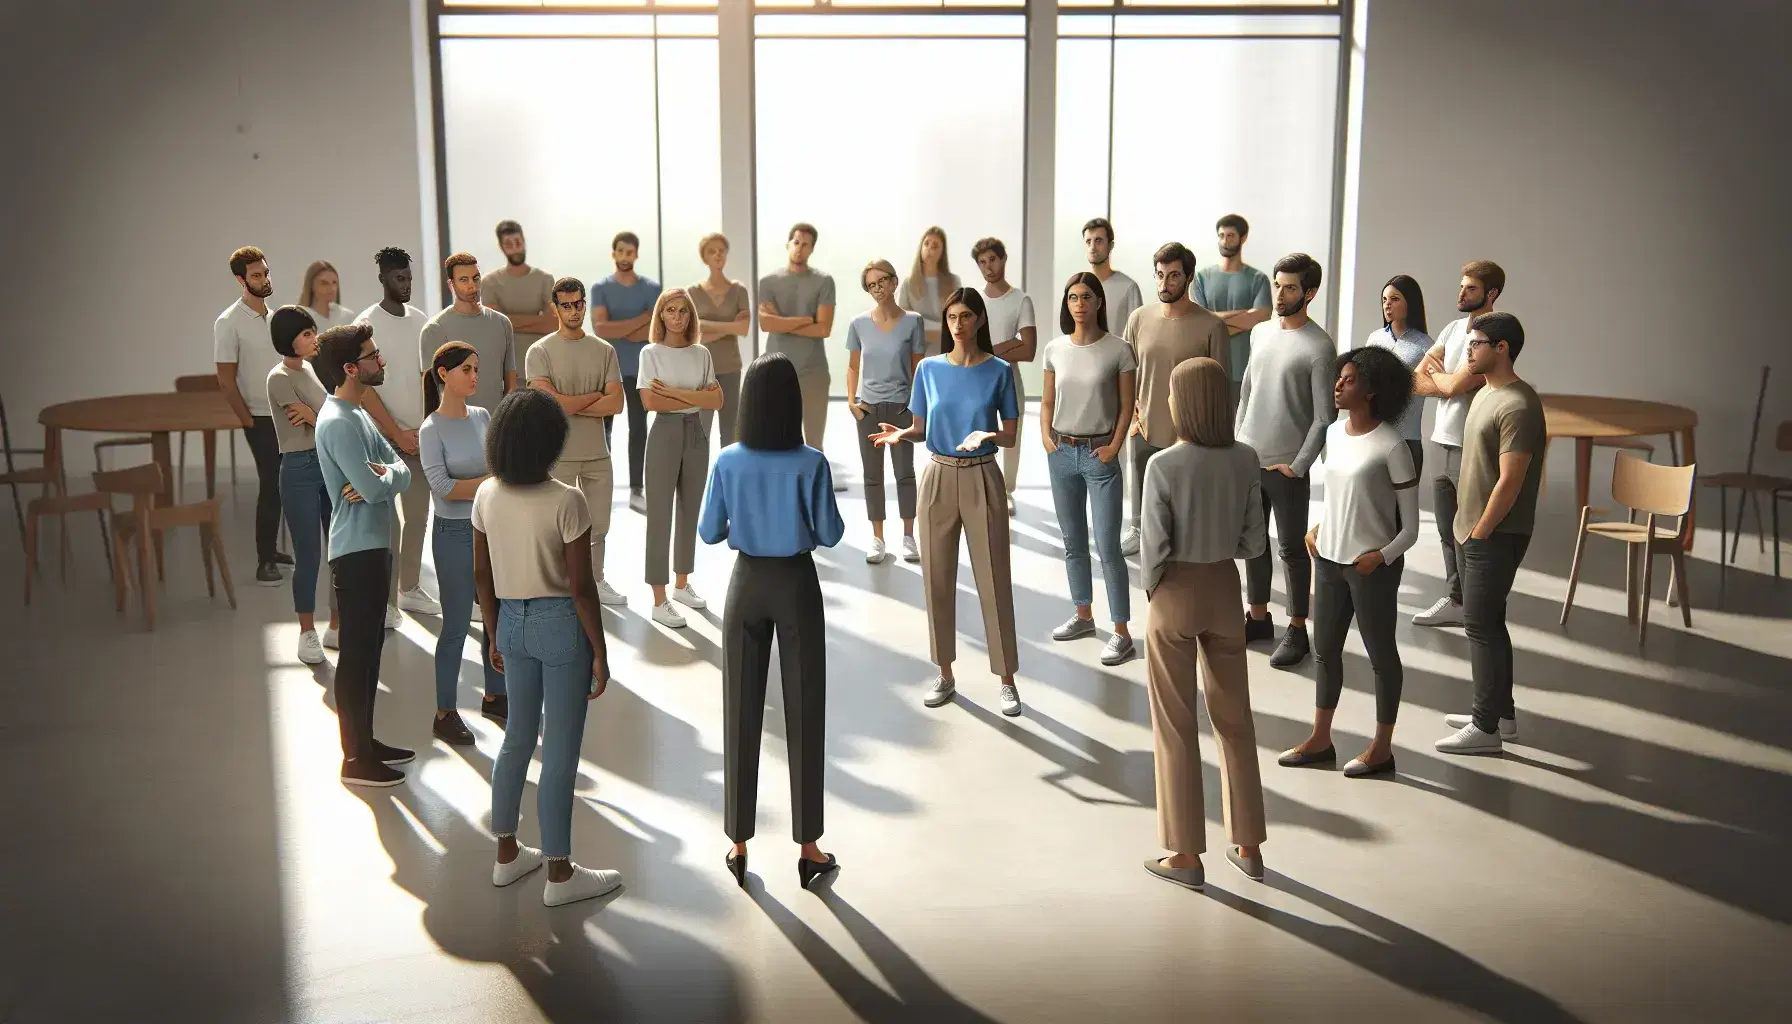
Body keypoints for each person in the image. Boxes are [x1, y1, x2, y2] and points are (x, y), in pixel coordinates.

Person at [698, 352, 846, 891]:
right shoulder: (812, 462)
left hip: (746, 584)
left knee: (740, 708)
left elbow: (710, 532)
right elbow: (829, 534)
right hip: (796, 584)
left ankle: (738, 841)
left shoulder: (727, 460)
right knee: (806, 711)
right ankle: (808, 849)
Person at [473, 388, 622, 906]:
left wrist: (493, 631)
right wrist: (600, 651)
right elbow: (582, 589)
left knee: (517, 738)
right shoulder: (567, 500)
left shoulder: (486, 494)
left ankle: (508, 856)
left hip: (510, 621)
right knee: (559, 750)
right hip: (560, 626)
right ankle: (560, 873)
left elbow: (481, 574)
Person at [1139, 357, 1268, 891]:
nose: (1167, 402)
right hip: (1224, 588)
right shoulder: (1245, 460)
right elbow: (1254, 542)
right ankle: (1250, 846)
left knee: (1175, 726)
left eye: (1171, 393)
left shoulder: (1163, 465)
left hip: (1174, 592)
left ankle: (1186, 856)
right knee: (1234, 719)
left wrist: (1156, 592)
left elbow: (1152, 548)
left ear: (1185, 401)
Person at [871, 289, 1022, 716]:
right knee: (936, 578)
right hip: (937, 477)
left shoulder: (999, 371)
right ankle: (945, 673)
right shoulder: (929, 371)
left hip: (983, 476)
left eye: (966, 316)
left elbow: (1010, 433)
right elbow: (921, 427)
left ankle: (1007, 679)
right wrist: (903, 434)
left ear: (979, 320)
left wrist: (989, 435)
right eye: (952, 316)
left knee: (993, 579)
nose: (958, 324)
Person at [1279, 347, 1419, 778]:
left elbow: (1411, 528)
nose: (1338, 384)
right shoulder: (1334, 434)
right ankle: (1320, 740)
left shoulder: (1393, 446)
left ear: (1373, 391)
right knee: (1325, 653)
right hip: (1328, 559)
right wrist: (1319, 527)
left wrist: (1380, 557)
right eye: (1339, 376)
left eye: (1350, 379)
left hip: (1369, 567)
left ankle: (1382, 748)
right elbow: (1342, 495)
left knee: (1381, 656)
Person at [1433, 312, 1543, 756]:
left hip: (1494, 534)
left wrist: (1480, 530)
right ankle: (1503, 715)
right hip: (1472, 531)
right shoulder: (1485, 393)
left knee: (1479, 626)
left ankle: (1485, 728)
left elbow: (1511, 480)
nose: (1468, 349)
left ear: (1502, 348)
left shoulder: (1519, 404)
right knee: (1490, 623)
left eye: (1477, 343)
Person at [310, 324, 414, 788]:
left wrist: (383, 474)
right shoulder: (337, 422)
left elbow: (398, 471)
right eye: (372, 356)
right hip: (355, 552)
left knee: (371, 653)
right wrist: (383, 476)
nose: (382, 361)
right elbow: (374, 486)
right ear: (350, 368)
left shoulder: (359, 413)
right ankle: (355, 760)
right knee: (355, 657)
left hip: (375, 546)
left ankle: (366, 744)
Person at [1234, 253, 1336, 670]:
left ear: (1309, 293)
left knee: (1293, 550)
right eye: (1277, 284)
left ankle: (1297, 629)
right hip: (1248, 459)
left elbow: (1324, 416)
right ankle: (1258, 618)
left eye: (1290, 287)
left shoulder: (1319, 346)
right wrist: (1238, 443)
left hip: (1287, 468)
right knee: (1252, 544)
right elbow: (1246, 393)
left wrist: (1298, 465)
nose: (1279, 293)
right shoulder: (1260, 333)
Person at [1040, 272, 1136, 665]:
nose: (1078, 304)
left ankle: (1122, 632)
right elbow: (1047, 401)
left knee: (1108, 546)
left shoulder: (1119, 350)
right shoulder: (1054, 349)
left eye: (1086, 297)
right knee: (1072, 541)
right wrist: (1046, 438)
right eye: (1072, 297)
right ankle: (1083, 615)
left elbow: (1127, 405)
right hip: (1061, 452)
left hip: (1101, 455)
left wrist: (1114, 446)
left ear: (1098, 302)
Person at [1119, 242, 1230, 557]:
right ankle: (1138, 529)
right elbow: (1127, 371)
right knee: (1142, 484)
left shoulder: (1212, 326)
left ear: (1189, 277)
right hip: (1145, 424)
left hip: (1190, 432)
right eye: (1159, 275)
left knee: (1184, 501)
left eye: (1173, 276)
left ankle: (1184, 540)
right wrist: (1131, 415)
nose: (1164, 284)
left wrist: (1212, 436)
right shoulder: (1139, 319)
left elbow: (1219, 387)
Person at [419, 341, 506, 745]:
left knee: (495, 618)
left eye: (476, 368)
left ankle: (494, 694)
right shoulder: (430, 429)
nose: (475, 376)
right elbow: (442, 487)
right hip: (453, 534)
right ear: (443, 374)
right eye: (466, 370)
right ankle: (444, 711)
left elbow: (497, 468)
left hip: (489, 530)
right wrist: (490, 483)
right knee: (455, 625)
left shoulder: (483, 416)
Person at [1410, 260, 1504, 629]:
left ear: (1491, 294)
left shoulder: (1492, 333)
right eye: (1461, 287)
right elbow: (1415, 380)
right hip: (1441, 440)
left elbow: (1450, 386)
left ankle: (1478, 607)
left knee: (1472, 532)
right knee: (1447, 530)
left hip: (1472, 447)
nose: (1461, 294)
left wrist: (1443, 378)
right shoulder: (1451, 330)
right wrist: (1447, 380)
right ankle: (1457, 598)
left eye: (1470, 289)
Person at [526, 276, 628, 606]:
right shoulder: (539, 351)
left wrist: (570, 401)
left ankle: (596, 580)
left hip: (598, 453)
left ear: (585, 303)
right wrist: (595, 394)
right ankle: (559, 585)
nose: (574, 311)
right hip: (558, 454)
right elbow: (552, 404)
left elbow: (617, 404)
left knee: (599, 525)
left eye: (579, 303)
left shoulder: (604, 350)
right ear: (555, 308)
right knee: (558, 527)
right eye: (566, 305)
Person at [356, 247, 436, 622]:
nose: (406, 285)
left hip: (419, 436)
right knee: (387, 523)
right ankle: (385, 604)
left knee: (418, 515)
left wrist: (425, 427)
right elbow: (366, 390)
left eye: (409, 278)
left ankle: (409, 588)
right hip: (383, 438)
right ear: (383, 279)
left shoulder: (421, 321)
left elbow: (428, 378)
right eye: (398, 278)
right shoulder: (366, 325)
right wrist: (396, 433)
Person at [638, 288, 723, 627]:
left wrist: (672, 392)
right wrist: (694, 397)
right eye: (670, 310)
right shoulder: (651, 353)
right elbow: (650, 403)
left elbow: (716, 401)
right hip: (663, 435)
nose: (677, 316)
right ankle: (659, 600)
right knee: (660, 514)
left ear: (691, 316)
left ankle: (682, 584)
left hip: (697, 434)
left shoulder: (701, 353)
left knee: (690, 510)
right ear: (661, 315)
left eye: (683, 311)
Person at [265, 305, 338, 665]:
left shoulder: (308, 370)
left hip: (327, 463)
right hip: (298, 469)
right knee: (308, 554)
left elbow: (322, 419)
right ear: (287, 339)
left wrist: (318, 416)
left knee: (338, 547)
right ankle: (307, 631)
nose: (314, 339)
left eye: (312, 332)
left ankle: (336, 625)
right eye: (306, 334)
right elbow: (306, 419)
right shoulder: (278, 378)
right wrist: (321, 415)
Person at [213, 245, 289, 586]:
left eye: (266, 272)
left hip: (287, 415)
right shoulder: (229, 323)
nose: (264, 279)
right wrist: (247, 420)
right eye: (256, 275)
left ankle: (275, 551)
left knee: (291, 483)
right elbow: (226, 381)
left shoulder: (277, 319)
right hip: (258, 418)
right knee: (271, 484)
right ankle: (264, 559)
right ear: (240, 280)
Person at [846, 260, 926, 565]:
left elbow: (919, 366)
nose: (878, 288)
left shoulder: (913, 322)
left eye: (882, 281)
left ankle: (908, 535)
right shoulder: (858, 323)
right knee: (872, 475)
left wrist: (916, 405)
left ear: (894, 282)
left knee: (905, 472)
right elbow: (853, 366)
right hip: (868, 408)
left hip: (902, 406)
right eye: (871, 285)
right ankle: (877, 537)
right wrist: (853, 404)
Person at [591, 232, 662, 514]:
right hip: (607, 370)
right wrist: (641, 320)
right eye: (620, 251)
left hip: (639, 369)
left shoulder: (651, 288)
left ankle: (636, 487)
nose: (625, 257)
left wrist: (621, 328)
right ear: (613, 254)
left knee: (639, 428)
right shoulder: (600, 288)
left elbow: (655, 331)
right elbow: (601, 329)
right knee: (603, 429)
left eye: (630, 252)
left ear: (636, 254)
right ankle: (602, 484)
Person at [758, 223, 839, 467]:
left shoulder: (824, 281)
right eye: (796, 242)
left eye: (805, 244)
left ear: (812, 249)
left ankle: (814, 494)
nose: (799, 248)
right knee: (776, 439)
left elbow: (823, 328)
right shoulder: (768, 282)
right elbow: (765, 324)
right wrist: (805, 320)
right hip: (776, 368)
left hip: (812, 370)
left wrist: (781, 322)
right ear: (788, 244)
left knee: (813, 443)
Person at [419, 251, 518, 434]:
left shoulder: (502, 324)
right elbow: (432, 394)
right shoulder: (435, 329)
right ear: (451, 284)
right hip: (456, 433)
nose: (472, 286)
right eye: (464, 280)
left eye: (476, 278)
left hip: (498, 432)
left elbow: (510, 382)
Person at [974, 237, 1037, 516]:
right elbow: (969, 346)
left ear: (1003, 259)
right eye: (982, 262)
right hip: (978, 379)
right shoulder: (974, 300)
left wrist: (991, 349)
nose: (989, 266)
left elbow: (1030, 350)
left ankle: (1007, 490)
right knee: (980, 431)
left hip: (1010, 379)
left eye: (993, 259)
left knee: (1012, 434)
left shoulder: (1020, 299)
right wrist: (1010, 343)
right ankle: (982, 486)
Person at [1193, 214, 1273, 402]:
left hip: (1244, 369)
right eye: (1221, 235)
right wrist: (1244, 314)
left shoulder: (1257, 279)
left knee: (1238, 428)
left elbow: (1260, 318)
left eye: (1230, 235)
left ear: (1243, 238)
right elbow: (1198, 321)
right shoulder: (1201, 278)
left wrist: (1214, 321)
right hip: (1208, 366)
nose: (1225, 240)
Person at [1365, 275, 1433, 474]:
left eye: (1395, 299)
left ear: (1410, 303)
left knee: (1404, 505)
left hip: (1407, 438)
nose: (1387, 305)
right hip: (1374, 435)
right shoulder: (1374, 338)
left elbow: (1434, 386)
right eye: (1384, 300)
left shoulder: (1425, 345)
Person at [690, 232, 752, 448]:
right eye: (712, 251)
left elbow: (743, 328)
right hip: (702, 369)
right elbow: (695, 332)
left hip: (731, 368)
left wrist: (708, 326)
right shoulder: (693, 292)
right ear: (704, 257)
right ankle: (698, 480)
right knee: (701, 430)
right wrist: (729, 327)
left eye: (721, 251)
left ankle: (727, 478)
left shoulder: (738, 290)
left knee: (730, 431)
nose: (717, 255)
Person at [480, 220, 558, 371]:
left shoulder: (544, 279)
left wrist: (509, 321)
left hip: (540, 363)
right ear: (502, 247)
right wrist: (537, 322)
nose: (515, 249)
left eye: (518, 242)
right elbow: (495, 326)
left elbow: (553, 324)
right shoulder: (490, 282)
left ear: (524, 241)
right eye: (509, 244)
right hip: (505, 365)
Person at [901, 226, 961, 357]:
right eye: (926, 244)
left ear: (942, 252)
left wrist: (925, 328)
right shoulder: (908, 284)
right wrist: (941, 332)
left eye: (935, 246)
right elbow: (905, 326)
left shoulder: (953, 282)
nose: (929, 249)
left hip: (948, 355)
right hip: (919, 357)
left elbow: (958, 321)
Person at [1082, 218, 1143, 343]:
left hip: (1118, 360)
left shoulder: (1128, 287)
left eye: (1098, 241)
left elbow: (1137, 336)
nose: (1092, 247)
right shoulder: (1078, 287)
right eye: (1088, 241)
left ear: (1111, 245)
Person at [298, 260, 358, 331]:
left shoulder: (347, 317)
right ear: (311, 285)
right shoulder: (299, 318)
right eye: (324, 283)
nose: (331, 288)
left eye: (334, 282)